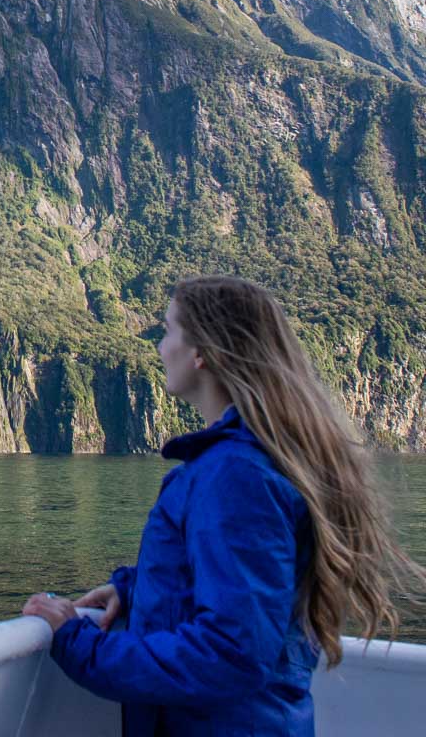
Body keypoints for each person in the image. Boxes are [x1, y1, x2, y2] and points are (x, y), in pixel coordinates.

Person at [23, 274, 426, 736]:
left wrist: (76, 641)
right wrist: (139, 590)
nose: (160, 347)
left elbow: (231, 651)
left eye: (168, 330)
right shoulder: (251, 462)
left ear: (201, 353)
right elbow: (247, 587)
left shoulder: (236, 474)